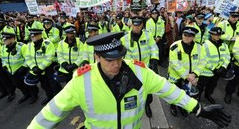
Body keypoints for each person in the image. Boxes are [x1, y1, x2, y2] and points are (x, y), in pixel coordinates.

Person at [27, 31, 231, 129]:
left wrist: (198, 108)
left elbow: (169, 89)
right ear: (96, 57)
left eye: (119, 58)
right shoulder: (82, 81)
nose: (116, 64)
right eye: (109, 60)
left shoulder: (140, 72)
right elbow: (50, 114)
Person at [121, 16, 159, 118]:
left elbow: (154, 47)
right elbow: (121, 55)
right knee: (134, 91)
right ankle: (136, 108)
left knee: (148, 90)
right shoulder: (124, 38)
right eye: (134, 25)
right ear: (131, 25)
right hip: (132, 70)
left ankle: (147, 105)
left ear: (142, 25)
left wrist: (154, 61)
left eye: (139, 25)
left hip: (146, 69)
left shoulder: (148, 35)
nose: (136, 27)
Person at [168, 26, 205, 117]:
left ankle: (182, 107)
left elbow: (203, 61)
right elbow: (174, 64)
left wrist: (195, 74)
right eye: (185, 35)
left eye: (189, 35)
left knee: (185, 94)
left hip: (191, 77)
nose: (186, 37)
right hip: (176, 77)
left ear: (193, 37)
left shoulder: (199, 47)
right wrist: (187, 76)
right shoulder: (174, 46)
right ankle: (173, 106)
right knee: (174, 94)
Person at [24, 21, 58, 105]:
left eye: (34, 35)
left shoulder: (47, 44)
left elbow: (49, 58)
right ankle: (50, 97)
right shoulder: (29, 45)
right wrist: (33, 67)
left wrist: (40, 68)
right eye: (31, 35)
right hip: (37, 70)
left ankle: (58, 98)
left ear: (40, 35)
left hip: (48, 68)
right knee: (44, 85)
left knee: (54, 84)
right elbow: (27, 57)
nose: (32, 37)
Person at [197, 27, 231, 104]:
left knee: (212, 85)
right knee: (200, 86)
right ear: (211, 34)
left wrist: (223, 67)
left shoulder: (224, 45)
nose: (218, 36)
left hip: (218, 71)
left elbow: (228, 56)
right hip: (206, 72)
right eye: (216, 35)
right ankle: (197, 97)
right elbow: (203, 59)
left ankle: (208, 95)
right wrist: (213, 68)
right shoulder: (205, 44)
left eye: (219, 34)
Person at [1, 26, 31, 104]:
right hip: (11, 71)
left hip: (21, 70)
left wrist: (23, 67)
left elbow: (28, 58)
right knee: (18, 84)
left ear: (12, 38)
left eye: (6, 39)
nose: (4, 41)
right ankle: (26, 94)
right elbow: (3, 58)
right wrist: (4, 66)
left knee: (28, 84)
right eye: (3, 39)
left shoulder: (22, 46)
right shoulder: (3, 48)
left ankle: (34, 95)